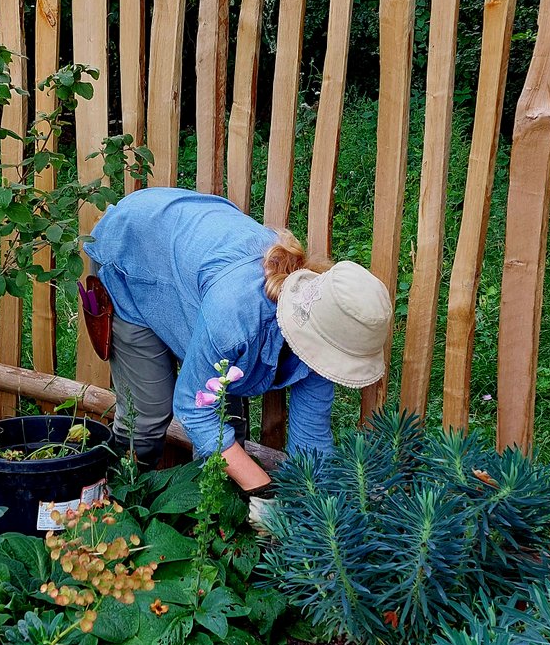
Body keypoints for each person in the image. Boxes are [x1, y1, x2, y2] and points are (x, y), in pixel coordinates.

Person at [84, 187, 392, 502]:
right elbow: (194, 406)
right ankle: (110, 503)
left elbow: (310, 443)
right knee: (146, 419)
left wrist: (316, 507)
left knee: (228, 436)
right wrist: (262, 488)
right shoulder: (237, 314)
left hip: (194, 265)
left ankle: (206, 514)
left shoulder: (326, 337)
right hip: (135, 249)